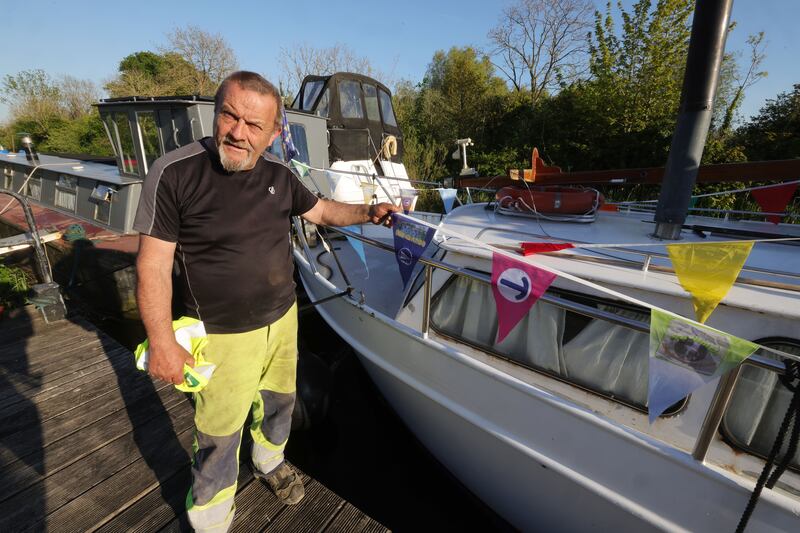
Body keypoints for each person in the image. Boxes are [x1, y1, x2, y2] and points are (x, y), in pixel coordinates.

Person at [133, 70, 399, 533]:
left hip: (282, 319)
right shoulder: (175, 172)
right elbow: (153, 265)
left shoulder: (280, 174)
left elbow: (320, 210)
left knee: (280, 403)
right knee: (218, 430)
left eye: (254, 125)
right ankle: (210, 519)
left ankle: (270, 462)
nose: (238, 133)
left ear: (276, 132)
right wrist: (161, 340)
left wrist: (367, 211)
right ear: (216, 113)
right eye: (230, 116)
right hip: (219, 334)